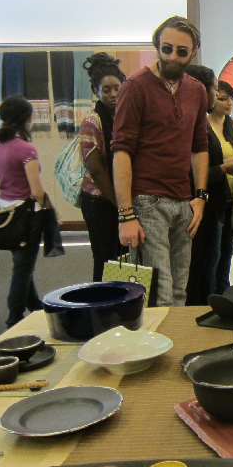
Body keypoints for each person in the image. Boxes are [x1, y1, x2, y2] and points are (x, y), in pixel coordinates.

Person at [111, 16, 209, 307]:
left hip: (183, 202)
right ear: (157, 47)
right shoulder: (135, 86)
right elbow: (121, 151)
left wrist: (201, 196)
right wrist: (126, 214)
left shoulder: (197, 90)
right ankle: (156, 353)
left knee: (180, 292)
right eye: (166, 48)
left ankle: (173, 351)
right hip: (146, 200)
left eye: (181, 51)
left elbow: (199, 147)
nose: (172, 56)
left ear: (192, 53)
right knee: (159, 294)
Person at [0, 96, 48, 327]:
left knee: (22, 263)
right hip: (25, 216)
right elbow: (35, 191)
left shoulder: (0, 146)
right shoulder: (26, 149)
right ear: (27, 118)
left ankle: (34, 304)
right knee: (23, 268)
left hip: (6, 213)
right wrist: (51, 210)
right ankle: (14, 314)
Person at [183, 65, 231, 305]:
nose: (216, 94)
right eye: (214, 89)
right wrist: (223, 168)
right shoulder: (194, 124)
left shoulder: (203, 123)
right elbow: (193, 172)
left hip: (211, 208)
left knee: (209, 268)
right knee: (199, 270)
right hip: (199, 210)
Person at [78, 52, 126, 282]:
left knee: (121, 257)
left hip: (120, 198)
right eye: (106, 90)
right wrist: (120, 205)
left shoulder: (125, 117)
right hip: (99, 201)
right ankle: (99, 312)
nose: (113, 94)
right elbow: (96, 170)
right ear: (96, 92)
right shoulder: (92, 122)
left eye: (117, 88)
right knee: (105, 259)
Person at [209, 80, 233, 294]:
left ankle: (224, 294)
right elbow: (201, 171)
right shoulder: (205, 127)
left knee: (227, 253)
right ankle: (212, 296)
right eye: (223, 98)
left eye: (231, 98)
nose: (228, 102)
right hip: (215, 200)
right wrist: (223, 168)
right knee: (214, 255)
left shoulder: (230, 126)